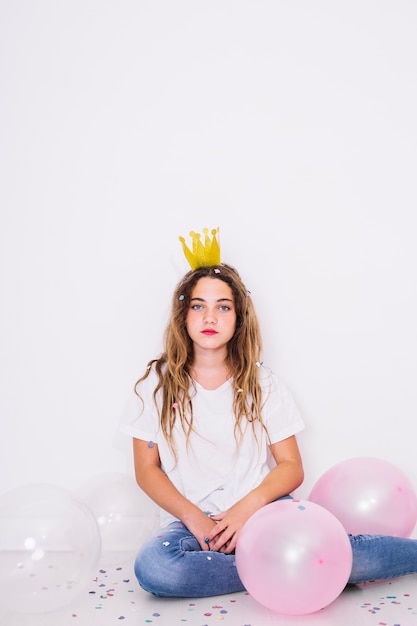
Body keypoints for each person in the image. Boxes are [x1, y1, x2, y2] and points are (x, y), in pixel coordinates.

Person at [121, 228, 417, 598]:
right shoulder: (156, 384)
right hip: (191, 524)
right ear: (183, 314)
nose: (209, 316)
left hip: (263, 512)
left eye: (222, 307)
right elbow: (146, 469)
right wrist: (193, 517)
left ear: (238, 316)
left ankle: (301, 559)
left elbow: (290, 465)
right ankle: (289, 567)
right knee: (157, 569)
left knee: (343, 548)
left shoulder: (264, 384)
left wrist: (248, 509)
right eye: (198, 305)